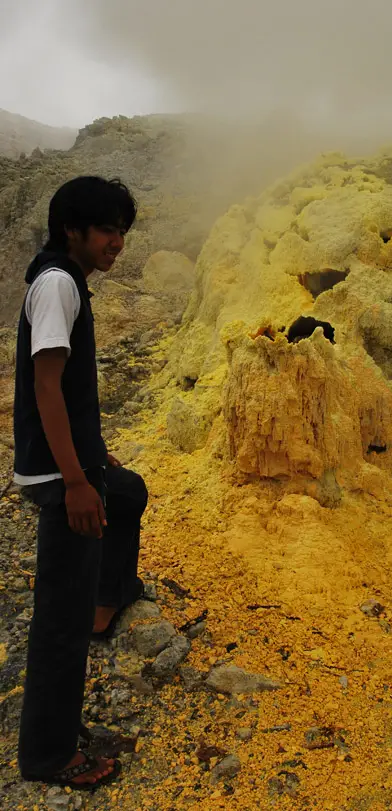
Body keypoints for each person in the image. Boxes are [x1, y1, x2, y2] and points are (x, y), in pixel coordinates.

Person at [13, 176, 148, 789]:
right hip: (56, 472)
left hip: (74, 460)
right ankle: (48, 754)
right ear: (73, 231)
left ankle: (107, 598)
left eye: (122, 231)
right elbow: (46, 387)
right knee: (57, 621)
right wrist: (73, 480)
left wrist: (95, 458)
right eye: (106, 231)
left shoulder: (68, 282)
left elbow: (67, 392)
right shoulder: (58, 285)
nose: (117, 243)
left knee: (128, 493)